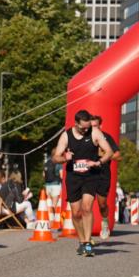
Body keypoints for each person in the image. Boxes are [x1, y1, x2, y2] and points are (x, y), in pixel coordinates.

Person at [52, 109, 112, 257]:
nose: (86, 129)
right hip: (73, 177)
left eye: (88, 127)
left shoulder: (95, 132)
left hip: (91, 175)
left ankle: (88, 243)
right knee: (76, 213)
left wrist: (98, 162)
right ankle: (82, 241)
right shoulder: (66, 135)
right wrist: (65, 157)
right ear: (76, 123)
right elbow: (55, 158)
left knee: (86, 208)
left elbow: (109, 151)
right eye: (83, 127)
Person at [89, 115, 121, 240]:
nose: (92, 128)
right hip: (88, 174)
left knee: (102, 204)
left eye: (95, 126)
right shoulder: (85, 137)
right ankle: (88, 234)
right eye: (90, 126)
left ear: (100, 126)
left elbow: (118, 156)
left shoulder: (106, 137)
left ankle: (105, 222)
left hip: (103, 173)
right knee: (87, 204)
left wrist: (104, 154)